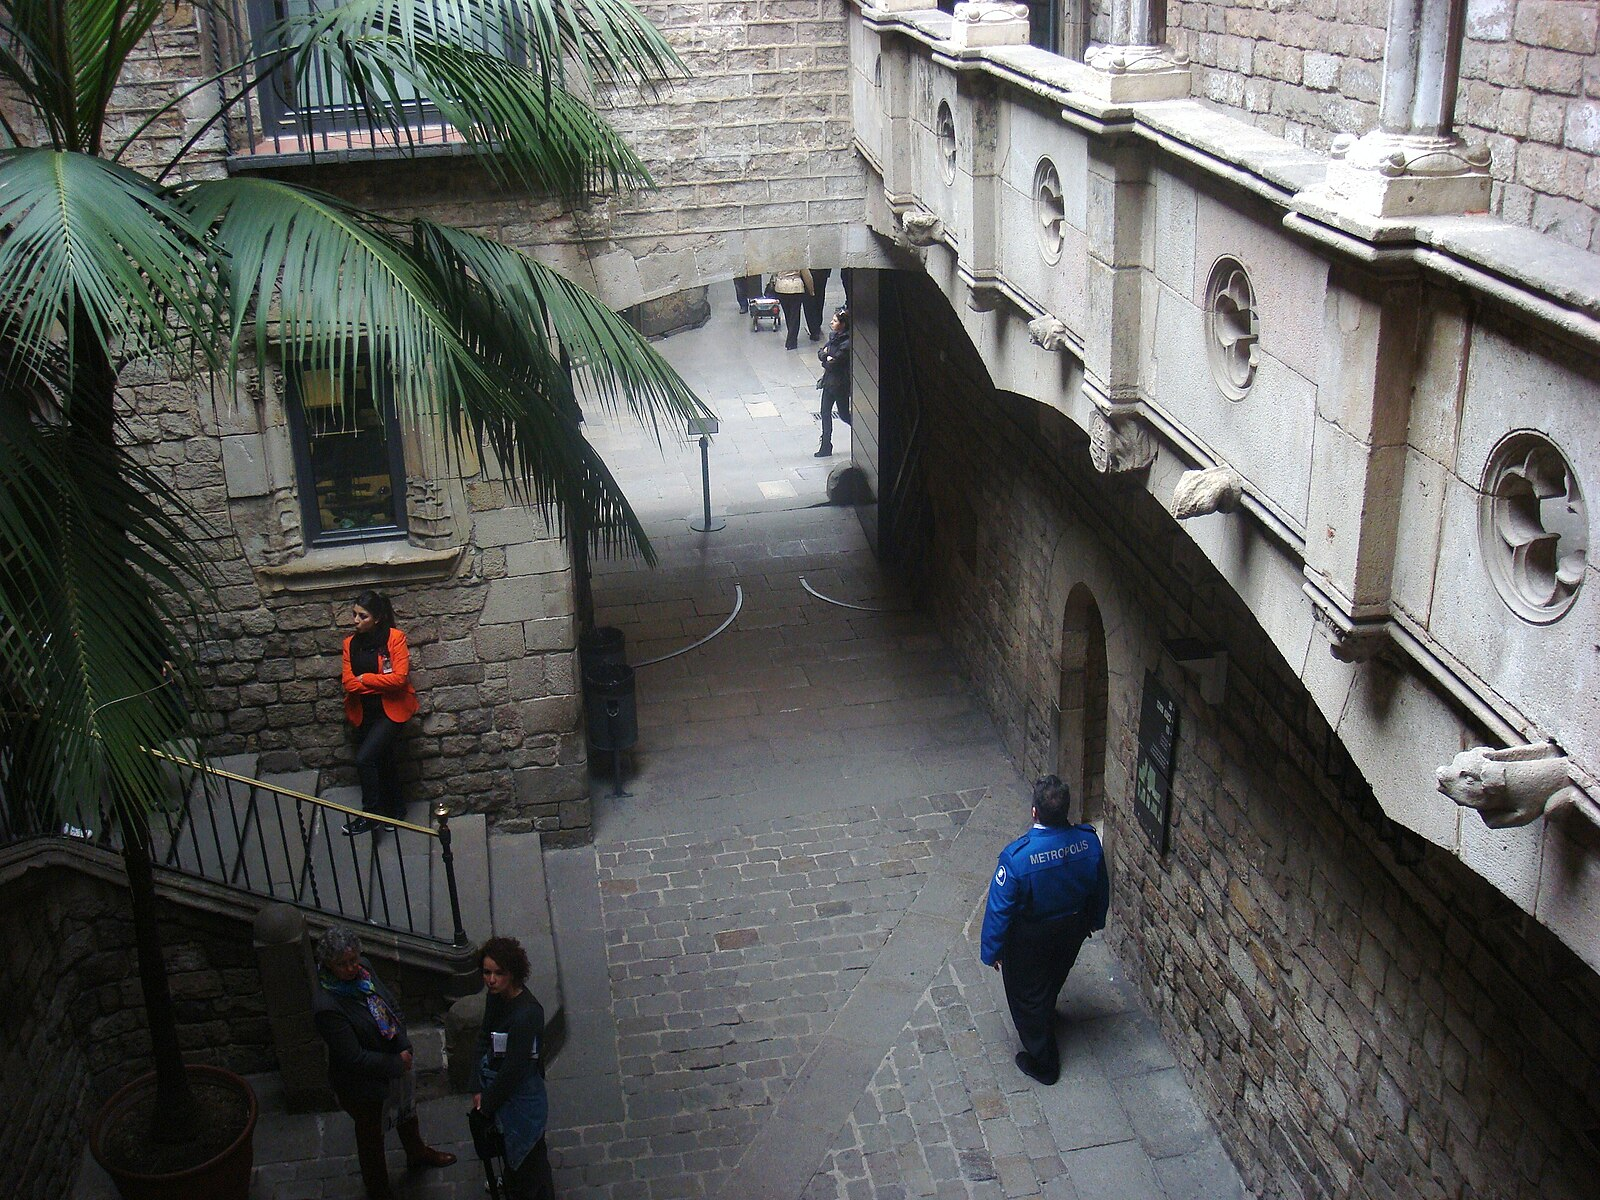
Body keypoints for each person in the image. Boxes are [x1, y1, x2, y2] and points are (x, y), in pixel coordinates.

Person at [980, 775, 1109, 1085]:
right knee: (1054, 973)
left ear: (1034, 812)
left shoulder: (1017, 858)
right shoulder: (1089, 842)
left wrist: (992, 951)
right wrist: (1095, 920)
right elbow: (1100, 887)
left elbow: (999, 909)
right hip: (1073, 927)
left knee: (1025, 995)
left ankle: (1043, 1060)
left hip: (1032, 936)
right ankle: (1047, 1008)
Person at [312, 928, 456, 1200]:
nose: (351, 968)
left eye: (353, 959)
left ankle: (416, 1152)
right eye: (343, 964)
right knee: (371, 1136)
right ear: (329, 965)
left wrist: (403, 1043)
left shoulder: (364, 969)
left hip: (393, 1061)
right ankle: (377, 1187)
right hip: (362, 1084)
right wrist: (396, 1063)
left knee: (406, 1111)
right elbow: (354, 1057)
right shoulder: (327, 1006)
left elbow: (389, 1005)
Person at [473, 937, 553, 1200]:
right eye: (487, 972)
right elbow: (484, 1037)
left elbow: (514, 1069)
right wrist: (477, 1086)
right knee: (516, 1155)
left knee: (528, 1157)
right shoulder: (496, 997)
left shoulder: (527, 1014)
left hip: (521, 1097)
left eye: (499, 973)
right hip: (500, 1087)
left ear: (513, 973)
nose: (491, 980)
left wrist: (486, 1105)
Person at [340, 590, 418, 836]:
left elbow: (399, 679)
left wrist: (365, 679)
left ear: (377, 618)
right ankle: (396, 810)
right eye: (354, 614)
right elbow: (348, 683)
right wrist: (377, 682)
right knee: (384, 759)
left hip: (391, 712)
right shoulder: (350, 644)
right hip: (365, 712)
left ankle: (370, 815)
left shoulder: (395, 638)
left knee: (365, 758)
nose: (356, 620)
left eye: (362, 616)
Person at [815, 307, 852, 458]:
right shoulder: (833, 337)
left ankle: (862, 431)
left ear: (843, 324)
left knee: (844, 414)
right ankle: (826, 445)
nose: (831, 322)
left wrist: (826, 357)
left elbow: (833, 363)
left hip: (840, 384)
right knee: (825, 412)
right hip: (828, 382)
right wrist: (827, 357)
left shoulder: (846, 343)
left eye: (835, 321)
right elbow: (821, 353)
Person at [768, 268, 813, 350]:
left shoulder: (779, 260)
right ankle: (792, 340)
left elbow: (774, 272)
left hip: (781, 288)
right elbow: (806, 275)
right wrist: (811, 290)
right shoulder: (799, 260)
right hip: (796, 288)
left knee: (787, 314)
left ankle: (791, 335)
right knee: (795, 315)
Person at [802, 267, 833, 342]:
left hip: (807, 271)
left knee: (808, 300)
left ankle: (814, 329)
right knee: (820, 296)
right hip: (821, 271)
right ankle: (818, 323)